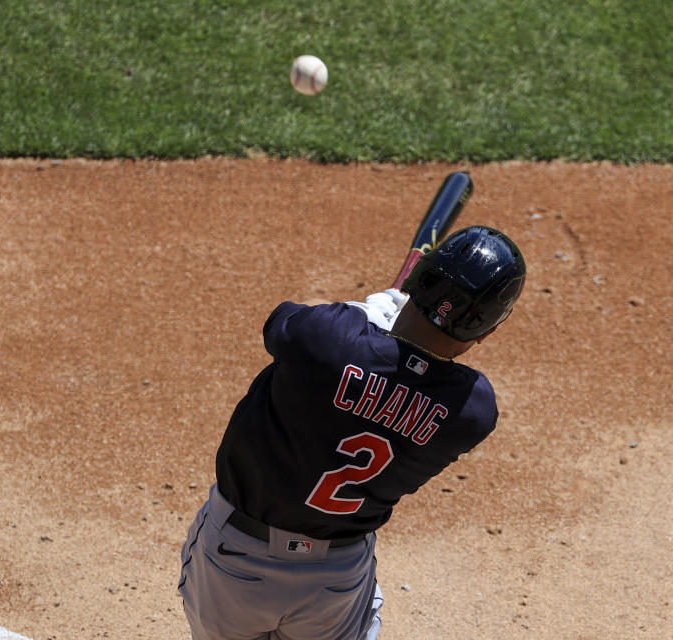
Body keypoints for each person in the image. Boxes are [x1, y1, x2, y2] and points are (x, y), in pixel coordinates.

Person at [178, 226, 527, 640]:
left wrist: (364, 313)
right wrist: (385, 338)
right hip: (335, 580)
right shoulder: (473, 410)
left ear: (418, 279)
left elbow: (286, 322)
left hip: (233, 559)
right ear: (486, 331)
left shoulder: (327, 337)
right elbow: (406, 380)